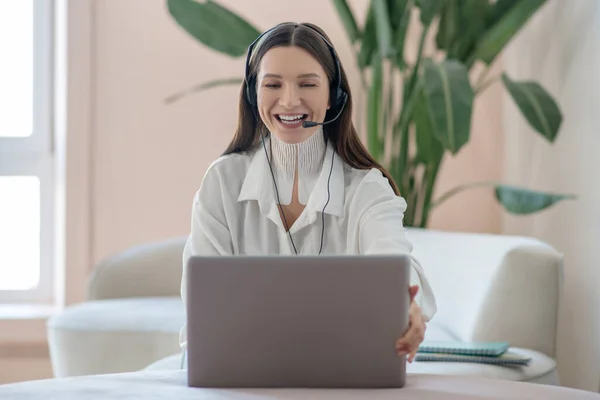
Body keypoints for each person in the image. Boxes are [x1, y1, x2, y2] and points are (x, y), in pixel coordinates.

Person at [179, 22, 436, 365]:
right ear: (254, 95)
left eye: (307, 84)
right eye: (272, 84)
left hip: (342, 370)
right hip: (240, 373)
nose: (289, 100)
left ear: (334, 96)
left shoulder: (366, 187)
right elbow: (203, 304)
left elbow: (393, 258)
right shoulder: (223, 181)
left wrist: (405, 304)